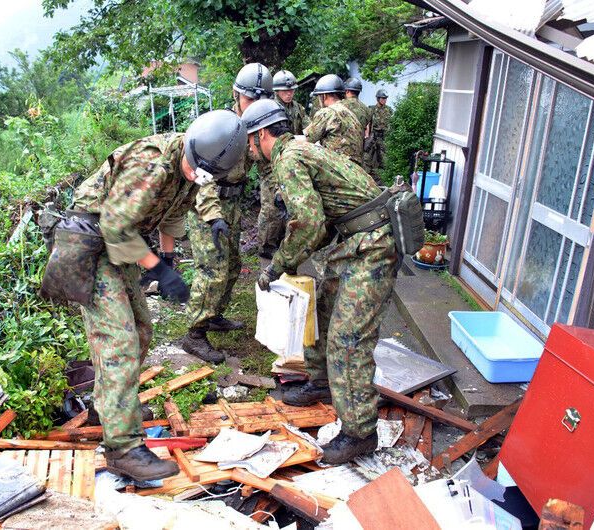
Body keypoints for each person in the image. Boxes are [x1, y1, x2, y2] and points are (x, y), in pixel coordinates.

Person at [70, 110, 247, 480]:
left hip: (120, 242)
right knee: (117, 341)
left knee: (141, 329)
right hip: (91, 241)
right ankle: (123, 448)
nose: (195, 175)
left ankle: (110, 410)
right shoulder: (152, 164)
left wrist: (168, 258)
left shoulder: (195, 169)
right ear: (190, 144)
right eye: (195, 167)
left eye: (205, 174)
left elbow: (170, 215)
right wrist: (158, 269)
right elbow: (113, 224)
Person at [242, 99, 398, 464]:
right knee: (322, 312)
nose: (250, 150)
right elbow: (325, 215)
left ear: (262, 134)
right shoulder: (300, 147)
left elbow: (308, 222)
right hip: (354, 242)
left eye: (250, 141)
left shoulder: (288, 158)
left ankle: (359, 432)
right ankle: (322, 383)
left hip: (373, 247)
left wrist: (278, 264)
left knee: (348, 339)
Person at [181, 63, 273, 363]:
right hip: (208, 200)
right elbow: (198, 172)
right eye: (250, 99)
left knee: (232, 265)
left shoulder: (258, 126)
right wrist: (213, 215)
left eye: (261, 100)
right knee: (212, 269)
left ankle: (213, 315)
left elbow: (268, 164)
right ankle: (194, 334)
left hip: (233, 202)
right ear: (236, 94)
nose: (254, 106)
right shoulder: (219, 125)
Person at [304, 74, 364, 166]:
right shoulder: (350, 113)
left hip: (337, 168)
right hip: (355, 169)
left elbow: (307, 140)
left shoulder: (327, 112)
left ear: (324, 96)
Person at [341, 77, 373, 173]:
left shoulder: (339, 105)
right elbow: (368, 132)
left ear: (346, 91)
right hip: (359, 151)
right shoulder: (367, 110)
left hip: (342, 150)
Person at [273, 70, 309, 135]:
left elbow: (308, 125)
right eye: (285, 90)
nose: (289, 93)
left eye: (291, 90)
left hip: (297, 143)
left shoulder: (298, 107)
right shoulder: (271, 109)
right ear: (277, 91)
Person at [366, 89, 392, 176]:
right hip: (374, 135)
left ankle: (383, 175)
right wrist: (367, 135)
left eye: (385, 99)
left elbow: (391, 123)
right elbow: (368, 123)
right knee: (368, 156)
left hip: (384, 136)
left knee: (384, 157)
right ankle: (369, 174)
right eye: (382, 98)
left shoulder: (389, 110)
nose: (384, 100)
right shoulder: (371, 109)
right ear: (378, 99)